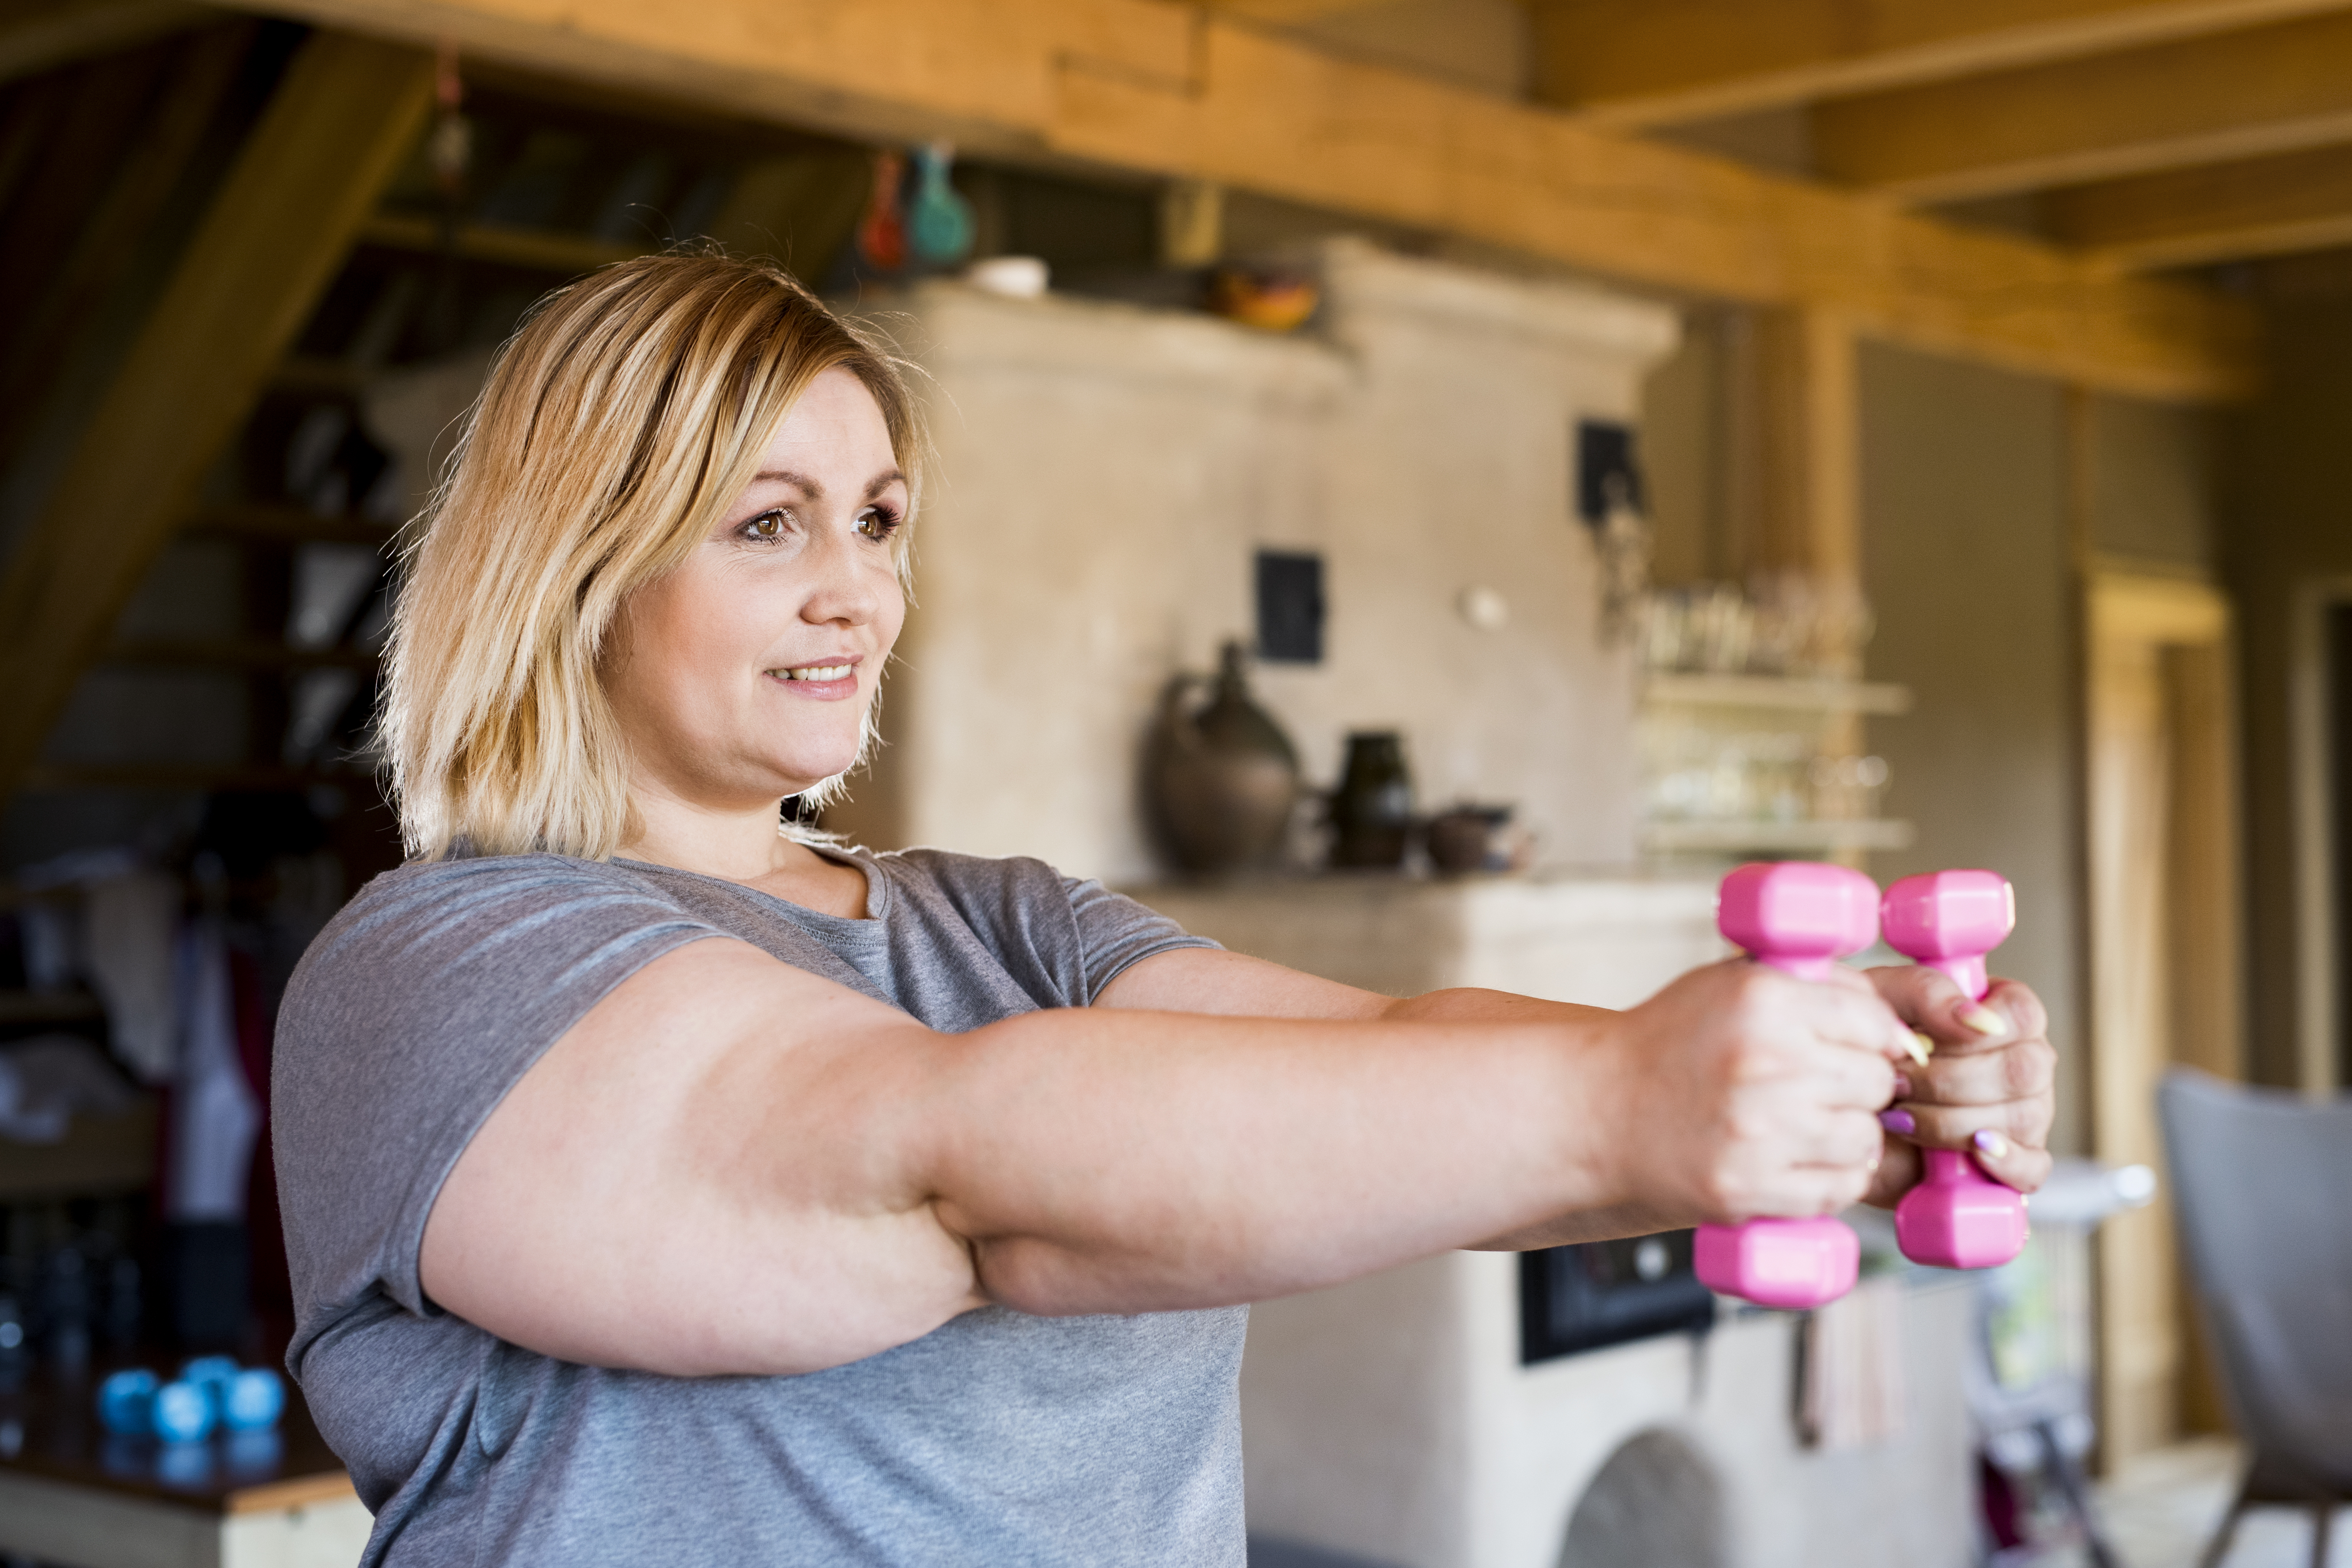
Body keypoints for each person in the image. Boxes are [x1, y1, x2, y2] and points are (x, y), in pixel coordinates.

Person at [272, 254, 2057, 1567]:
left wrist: (1839, 1094)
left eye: (880, 520)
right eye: (768, 524)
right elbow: (945, 1170)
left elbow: (1375, 1067)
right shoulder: (438, 971)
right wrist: (1634, 1098)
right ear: (577, 563)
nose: (857, 593)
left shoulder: (1010, 923)